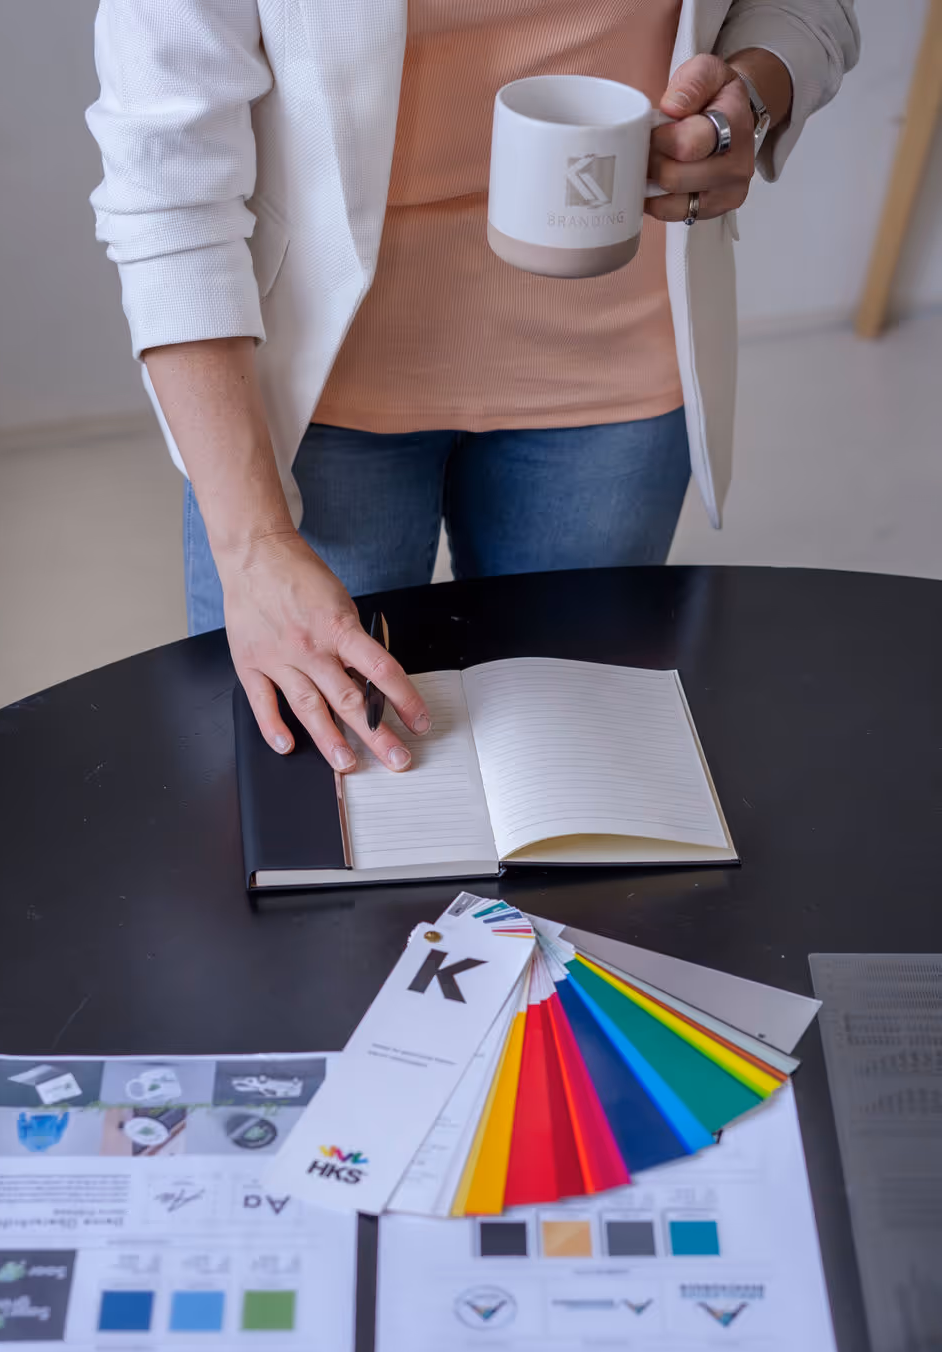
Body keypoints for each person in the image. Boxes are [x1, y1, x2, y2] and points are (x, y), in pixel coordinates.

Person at [87, 1, 858, 776]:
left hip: (615, 374)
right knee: (312, 793)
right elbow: (167, 187)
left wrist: (752, 95)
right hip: (311, 404)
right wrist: (252, 546)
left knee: (574, 784)